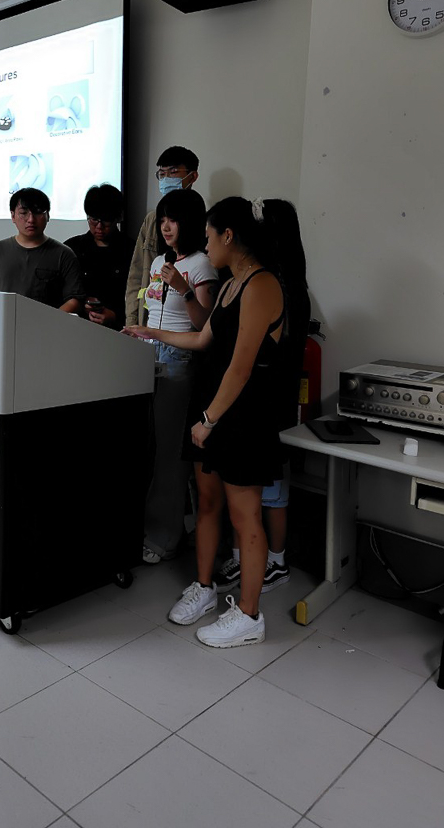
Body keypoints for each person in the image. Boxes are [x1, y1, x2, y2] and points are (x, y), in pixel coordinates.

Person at [124, 196, 285, 648]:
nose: (206, 245)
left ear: (228, 236)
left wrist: (209, 420)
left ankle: (250, 615)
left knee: (244, 515)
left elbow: (242, 366)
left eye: (210, 237)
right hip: (211, 403)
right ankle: (204, 587)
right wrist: (148, 331)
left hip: (241, 414)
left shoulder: (262, 285)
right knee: (208, 502)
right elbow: (201, 339)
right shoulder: (232, 285)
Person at [216, 199, 310, 595]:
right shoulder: (271, 280)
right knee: (254, 494)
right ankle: (253, 560)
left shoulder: (275, 285)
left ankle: (276, 561)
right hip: (261, 398)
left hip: (271, 400)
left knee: (269, 491)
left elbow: (253, 359)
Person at [139, 189, 218, 565]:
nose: (166, 227)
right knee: (152, 450)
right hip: (148, 356)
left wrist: (184, 289)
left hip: (179, 360)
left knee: (170, 455)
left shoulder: (202, 265)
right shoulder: (160, 260)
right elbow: (151, 310)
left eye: (173, 220)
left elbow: (205, 325)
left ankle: (164, 537)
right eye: (162, 220)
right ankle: (154, 527)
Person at [0, 187, 85, 312]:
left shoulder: (64, 254)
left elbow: (75, 299)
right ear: (13, 216)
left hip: (47, 323)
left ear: (48, 216)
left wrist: (50, 319)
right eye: (24, 213)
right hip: (4, 321)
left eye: (38, 212)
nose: (31, 219)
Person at [124, 146, 200, 328]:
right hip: (149, 320)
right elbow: (136, 274)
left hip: (183, 325)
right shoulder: (152, 219)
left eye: (173, 172)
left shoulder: (201, 218)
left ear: (192, 176)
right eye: (162, 174)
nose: (166, 179)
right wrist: (132, 322)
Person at [64, 184, 135, 330]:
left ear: (118, 217)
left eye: (106, 220)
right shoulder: (72, 248)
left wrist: (115, 316)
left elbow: (138, 296)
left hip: (119, 330)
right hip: (77, 327)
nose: (99, 227)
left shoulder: (132, 250)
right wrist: (82, 303)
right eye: (93, 220)